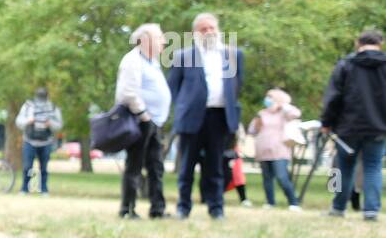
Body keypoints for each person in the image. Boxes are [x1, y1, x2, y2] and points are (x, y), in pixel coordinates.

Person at [167, 12, 244, 220]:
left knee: (216, 167)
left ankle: (216, 209)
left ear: (218, 30)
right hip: (191, 118)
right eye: (203, 29)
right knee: (187, 167)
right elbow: (172, 89)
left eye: (212, 28)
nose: (209, 32)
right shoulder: (183, 56)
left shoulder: (233, 54)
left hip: (219, 118)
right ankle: (183, 207)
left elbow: (237, 86)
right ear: (195, 33)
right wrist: (182, 109)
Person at [321, 28, 386, 221]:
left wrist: (327, 122)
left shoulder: (346, 65)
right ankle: (371, 210)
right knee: (373, 167)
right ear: (380, 44)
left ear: (358, 43)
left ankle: (338, 207)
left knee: (343, 168)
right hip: (378, 127)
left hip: (348, 126)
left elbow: (333, 97)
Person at [115, 23, 171, 218]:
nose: (164, 41)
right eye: (160, 38)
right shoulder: (133, 60)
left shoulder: (153, 62)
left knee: (156, 167)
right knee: (134, 166)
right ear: (146, 40)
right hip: (140, 120)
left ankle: (157, 209)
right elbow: (127, 92)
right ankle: (127, 209)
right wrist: (144, 114)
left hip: (154, 122)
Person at [247, 88, 302, 209]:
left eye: (270, 97)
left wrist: (283, 105)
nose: (267, 100)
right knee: (267, 178)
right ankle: (270, 202)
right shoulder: (262, 113)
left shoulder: (284, 114)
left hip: (279, 150)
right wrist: (256, 124)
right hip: (263, 149)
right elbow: (252, 130)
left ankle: (293, 202)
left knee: (282, 177)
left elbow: (296, 113)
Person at [15, 86, 61, 194]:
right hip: (29, 141)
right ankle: (24, 188)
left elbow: (59, 124)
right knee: (27, 166)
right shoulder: (28, 106)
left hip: (46, 141)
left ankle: (44, 189)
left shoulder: (53, 107)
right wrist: (28, 121)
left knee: (44, 168)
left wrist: (51, 124)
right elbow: (19, 122)